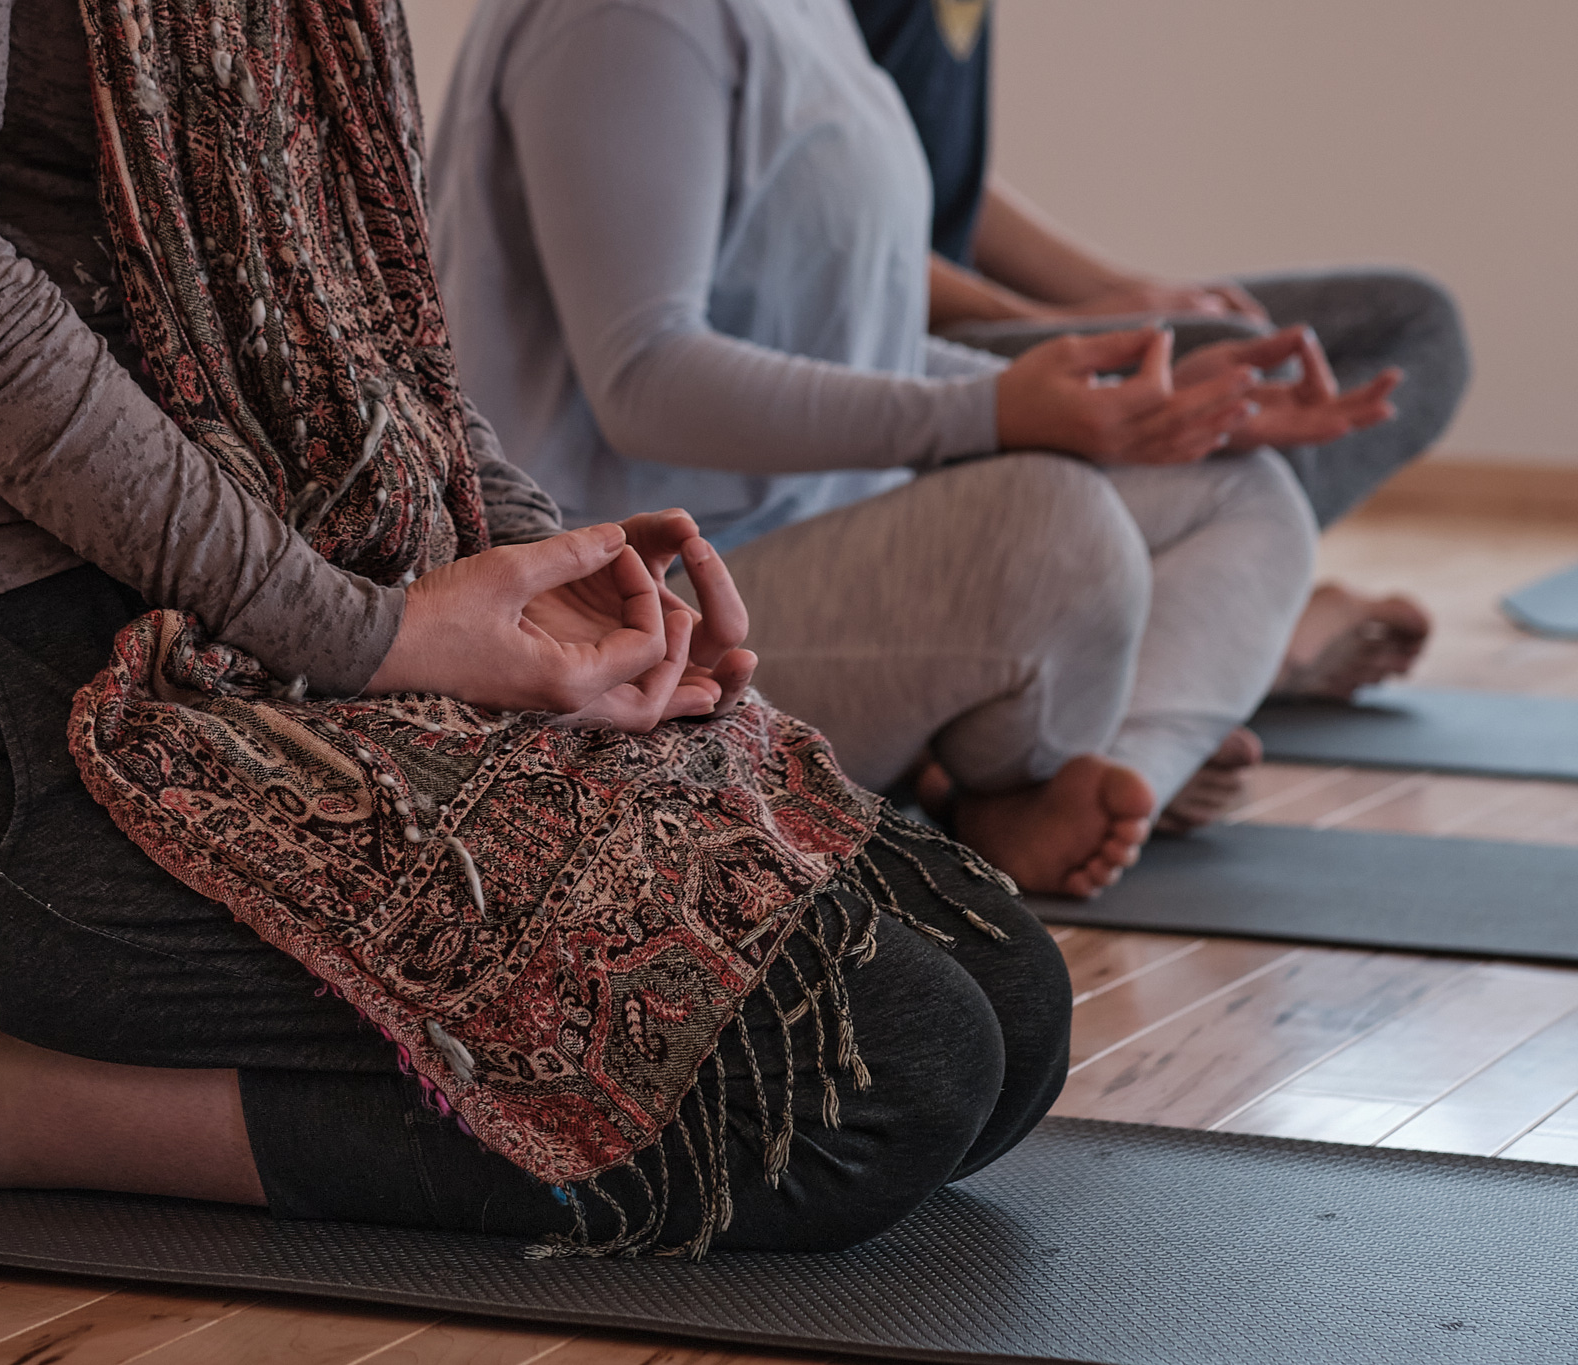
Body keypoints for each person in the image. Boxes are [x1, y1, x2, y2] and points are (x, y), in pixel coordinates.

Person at [0, 0, 1069, 1258]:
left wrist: (536, 552)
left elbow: (349, 311)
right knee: (867, 1080)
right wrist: (372, 636)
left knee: (998, 996)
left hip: (207, 611)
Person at [428, 0, 1401, 883]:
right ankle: (1008, 779)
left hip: (804, 539)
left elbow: (851, 342)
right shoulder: (628, 18)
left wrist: (1135, 413)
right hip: (638, 611)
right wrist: (992, 415)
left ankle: (1084, 787)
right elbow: (642, 377)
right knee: (1051, 526)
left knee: (1241, 488)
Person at [850, 0, 1471, 708]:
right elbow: (834, 234)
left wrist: (1117, 289)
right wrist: (1049, 322)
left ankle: (1218, 620)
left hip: (966, 318)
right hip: (890, 350)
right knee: (1235, 360)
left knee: (1414, 325)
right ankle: (1218, 642)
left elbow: (930, 173)